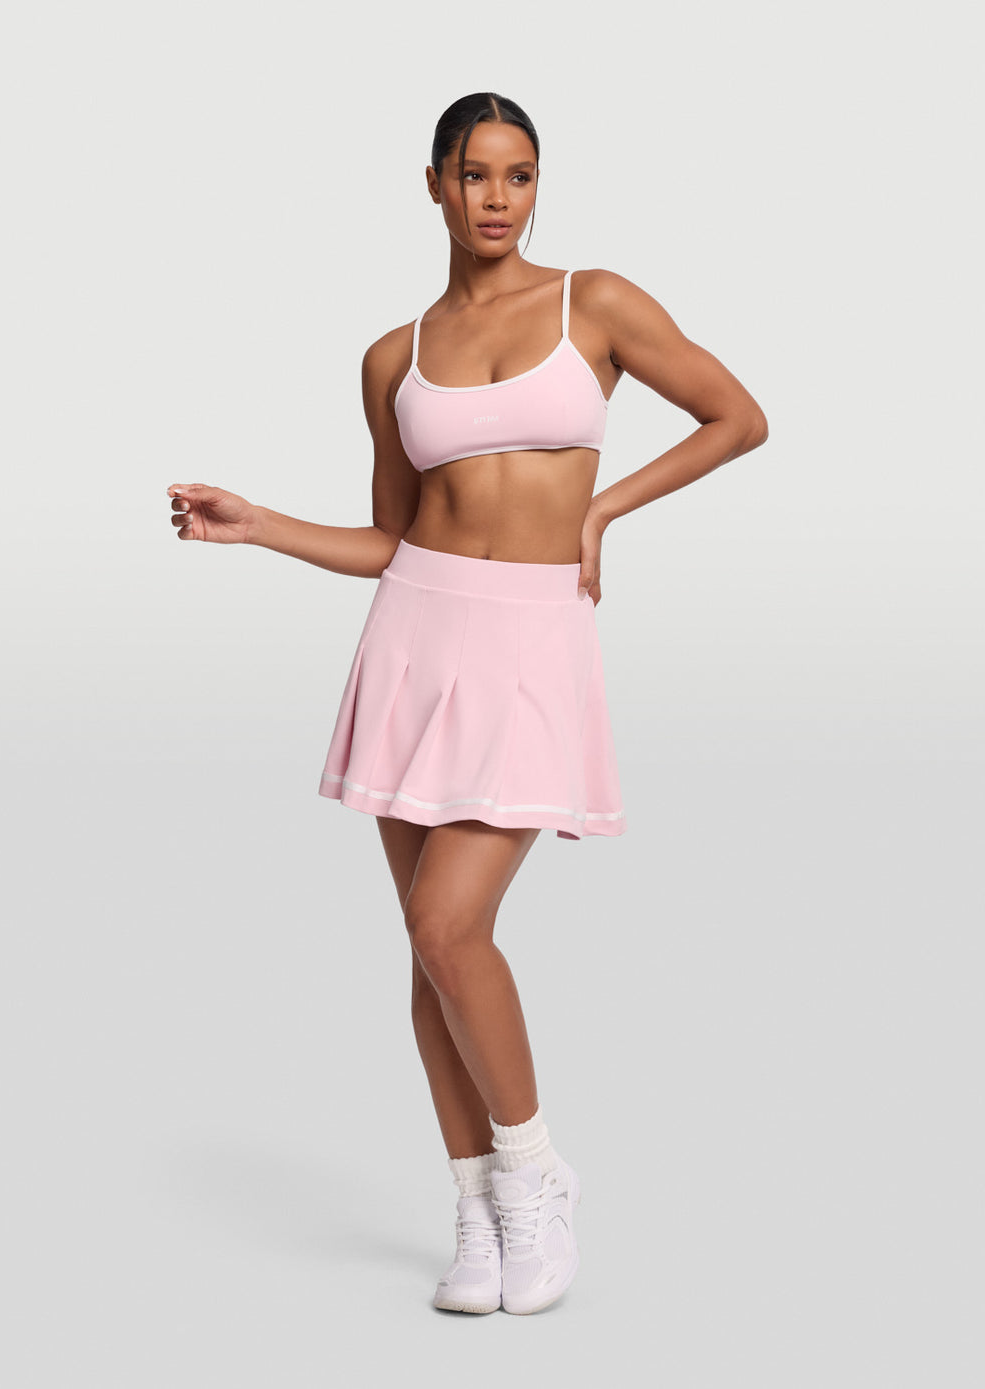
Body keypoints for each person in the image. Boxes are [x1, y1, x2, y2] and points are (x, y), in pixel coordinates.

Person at [166, 91, 768, 1317]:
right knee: (428, 951)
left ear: (537, 187)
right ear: (434, 183)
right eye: (476, 174)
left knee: (451, 927)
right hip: (416, 640)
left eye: (520, 174)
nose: (499, 198)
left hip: (532, 642)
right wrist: (257, 525)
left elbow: (737, 418)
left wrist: (603, 509)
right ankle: (477, 1207)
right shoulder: (392, 356)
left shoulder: (594, 302)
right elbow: (391, 538)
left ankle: (536, 1173)